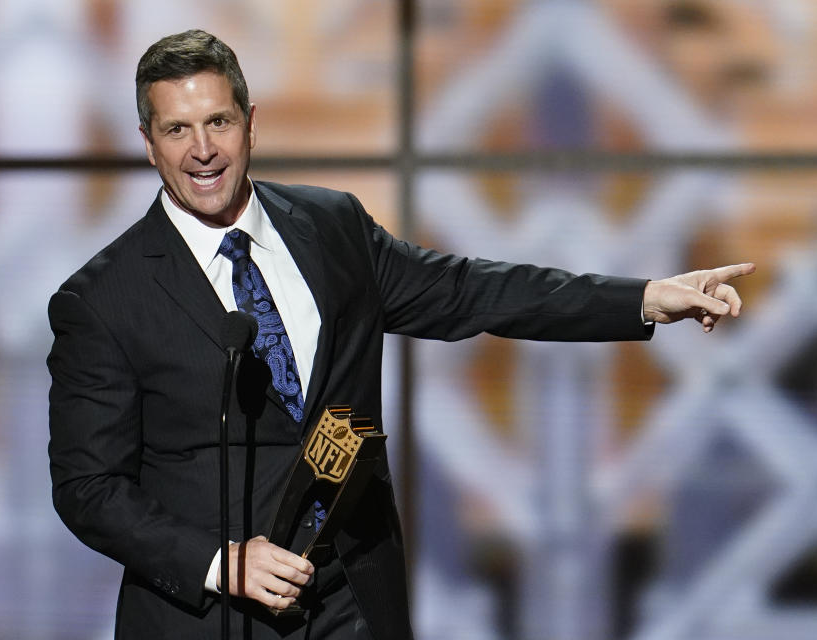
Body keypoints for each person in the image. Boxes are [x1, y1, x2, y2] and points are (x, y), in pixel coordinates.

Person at [47, 29, 755, 640]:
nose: (203, 150)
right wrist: (221, 562)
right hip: (209, 617)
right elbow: (88, 488)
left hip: (353, 600)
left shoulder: (330, 228)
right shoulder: (103, 298)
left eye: (219, 123)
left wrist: (644, 300)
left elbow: (471, 289)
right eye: (177, 130)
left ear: (250, 123)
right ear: (147, 143)